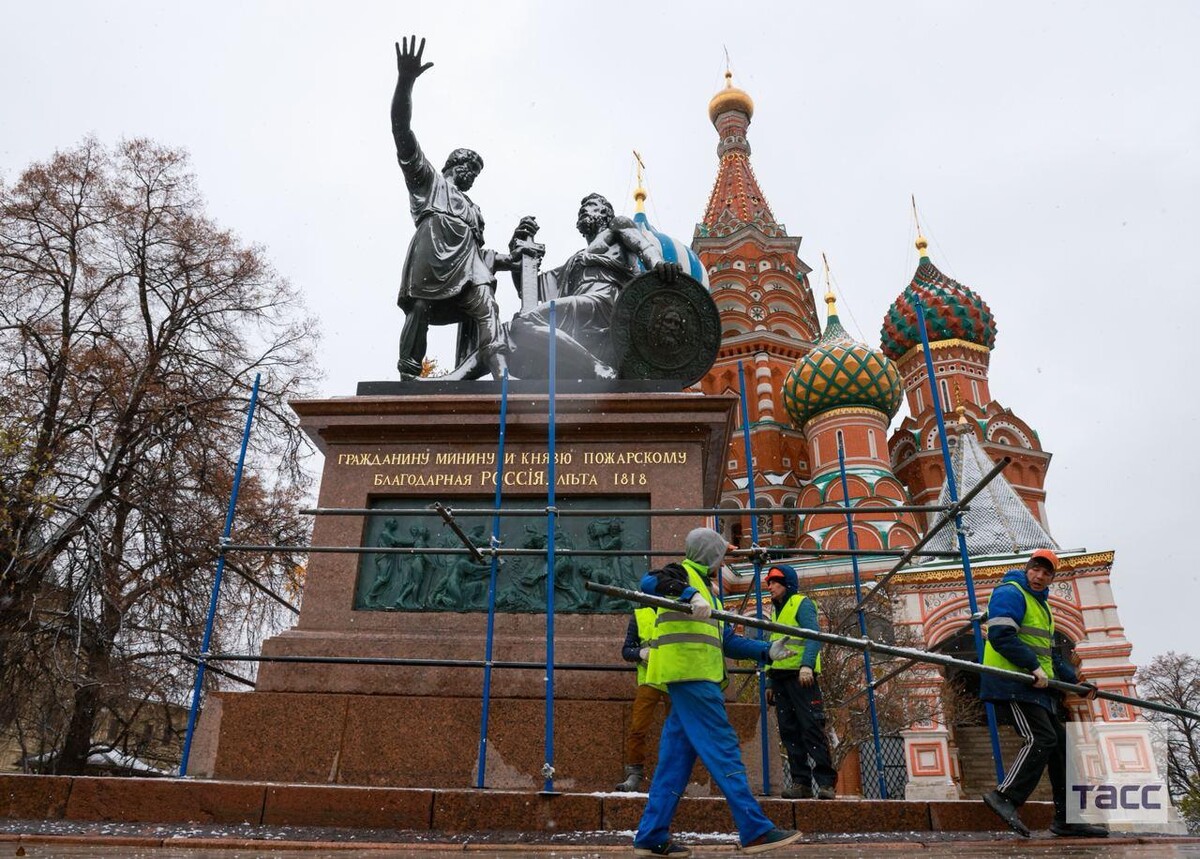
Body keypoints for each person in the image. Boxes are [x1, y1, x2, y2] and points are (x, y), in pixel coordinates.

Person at [633, 528, 803, 857]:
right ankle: (755, 829)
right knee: (723, 749)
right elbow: (648, 583)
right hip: (691, 676)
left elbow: (726, 641)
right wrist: (687, 596)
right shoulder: (681, 575)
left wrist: (767, 651)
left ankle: (651, 835)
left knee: (674, 762)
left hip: (694, 679)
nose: (723, 560)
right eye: (721, 554)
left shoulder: (709, 592)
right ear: (711, 555)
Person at [391, 36, 509, 380]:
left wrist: (514, 255)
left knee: (487, 305)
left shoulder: (474, 209)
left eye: (475, 171)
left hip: (468, 266)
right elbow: (401, 129)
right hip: (431, 254)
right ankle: (410, 373)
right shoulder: (428, 180)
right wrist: (405, 82)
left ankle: (496, 365)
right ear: (451, 164)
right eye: (466, 167)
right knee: (421, 308)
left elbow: (483, 252)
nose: (470, 174)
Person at [979, 548, 1107, 839]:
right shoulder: (1010, 592)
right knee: (1041, 737)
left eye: (1046, 573)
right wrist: (1032, 666)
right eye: (1036, 569)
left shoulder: (1042, 607)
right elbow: (1000, 636)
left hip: (1037, 687)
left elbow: (1050, 655)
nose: (1039, 576)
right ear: (1027, 568)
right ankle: (1006, 797)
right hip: (1011, 681)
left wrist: (1078, 683)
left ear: (1052, 578)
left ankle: (1068, 819)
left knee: (1062, 747)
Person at [509, 193, 679, 379]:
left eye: (591, 205)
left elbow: (643, 247)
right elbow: (529, 289)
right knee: (519, 329)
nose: (583, 210)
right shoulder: (575, 260)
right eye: (582, 208)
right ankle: (595, 367)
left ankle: (596, 367)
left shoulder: (617, 227)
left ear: (605, 213)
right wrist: (518, 257)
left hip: (606, 301)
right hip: (582, 308)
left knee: (525, 323)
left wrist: (658, 264)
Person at [764, 564, 837, 800]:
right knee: (789, 731)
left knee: (811, 728)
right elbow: (774, 645)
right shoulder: (776, 610)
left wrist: (807, 665)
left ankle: (825, 783)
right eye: (769, 582)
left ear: (787, 584)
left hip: (801, 677)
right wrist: (768, 681)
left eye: (775, 582)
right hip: (781, 678)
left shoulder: (801, 603)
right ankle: (800, 782)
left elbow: (813, 635)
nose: (770, 586)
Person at [615, 605, 670, 792]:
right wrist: (640, 653)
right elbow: (626, 650)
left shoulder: (675, 608)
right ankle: (634, 774)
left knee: (677, 731)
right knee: (638, 728)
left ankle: (674, 775)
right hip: (649, 680)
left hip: (675, 678)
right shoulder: (639, 614)